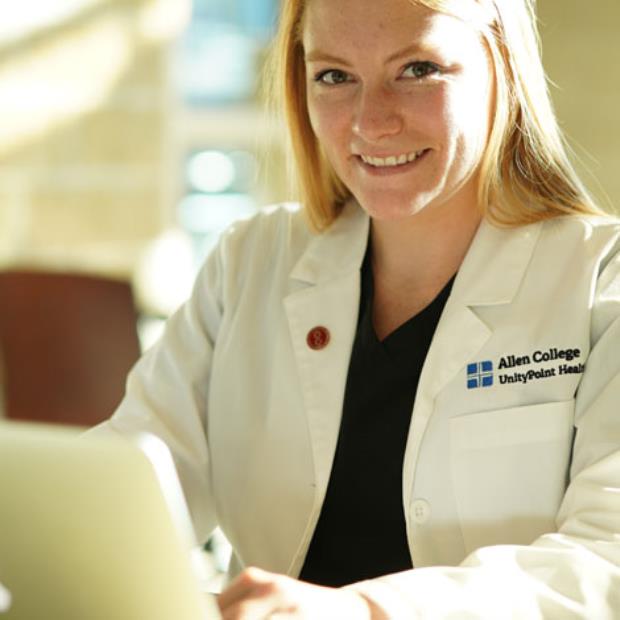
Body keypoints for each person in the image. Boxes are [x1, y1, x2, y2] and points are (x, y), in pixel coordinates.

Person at [94, 0, 620, 617]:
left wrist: (362, 611)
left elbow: (603, 561)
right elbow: (124, 491)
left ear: (500, 63)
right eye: (334, 76)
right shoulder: (251, 262)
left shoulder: (600, 278)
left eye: (418, 69)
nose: (371, 122)